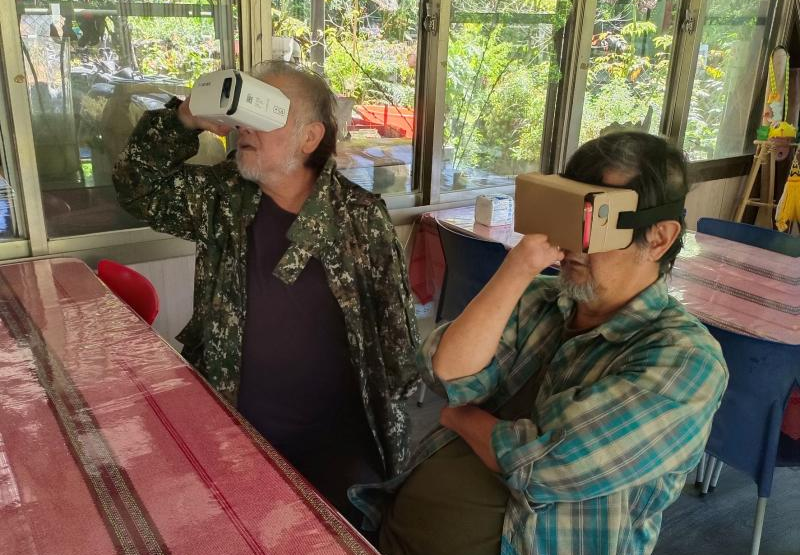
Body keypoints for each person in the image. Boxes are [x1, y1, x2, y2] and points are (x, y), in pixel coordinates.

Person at [350, 132, 729, 555]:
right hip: (388, 527)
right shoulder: (541, 298)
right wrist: (518, 268)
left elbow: (548, 465)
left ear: (658, 238)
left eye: (594, 222)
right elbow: (446, 374)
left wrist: (461, 418)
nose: (569, 242)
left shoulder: (686, 361)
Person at [112, 61, 420, 523]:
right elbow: (138, 189)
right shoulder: (223, 199)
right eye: (245, 113)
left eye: (268, 111)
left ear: (310, 137)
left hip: (336, 444)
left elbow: (398, 346)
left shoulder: (359, 219)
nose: (245, 127)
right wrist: (185, 118)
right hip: (232, 431)